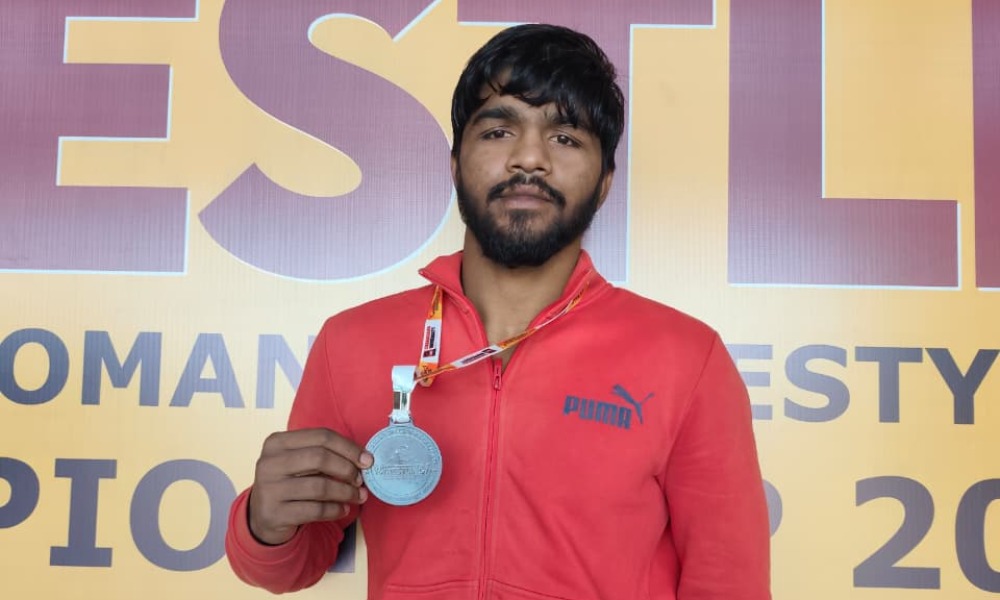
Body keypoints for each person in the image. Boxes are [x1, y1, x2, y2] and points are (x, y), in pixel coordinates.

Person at [225, 23, 771, 600]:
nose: (529, 158)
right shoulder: (351, 343)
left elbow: (729, 584)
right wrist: (264, 523)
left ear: (605, 182)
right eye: (499, 130)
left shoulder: (686, 359)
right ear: (455, 162)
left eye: (565, 137)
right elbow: (290, 565)